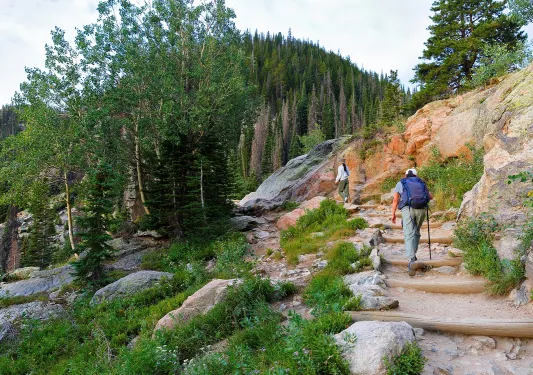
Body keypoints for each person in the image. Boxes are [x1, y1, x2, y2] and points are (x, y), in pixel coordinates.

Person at [391, 168, 433, 276]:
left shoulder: (401, 182)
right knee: (416, 232)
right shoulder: (421, 182)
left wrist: (393, 214)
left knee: (408, 234)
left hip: (408, 210)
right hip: (422, 209)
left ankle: (411, 260)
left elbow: (395, 200)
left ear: (406, 175)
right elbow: (430, 196)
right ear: (416, 175)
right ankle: (413, 256)